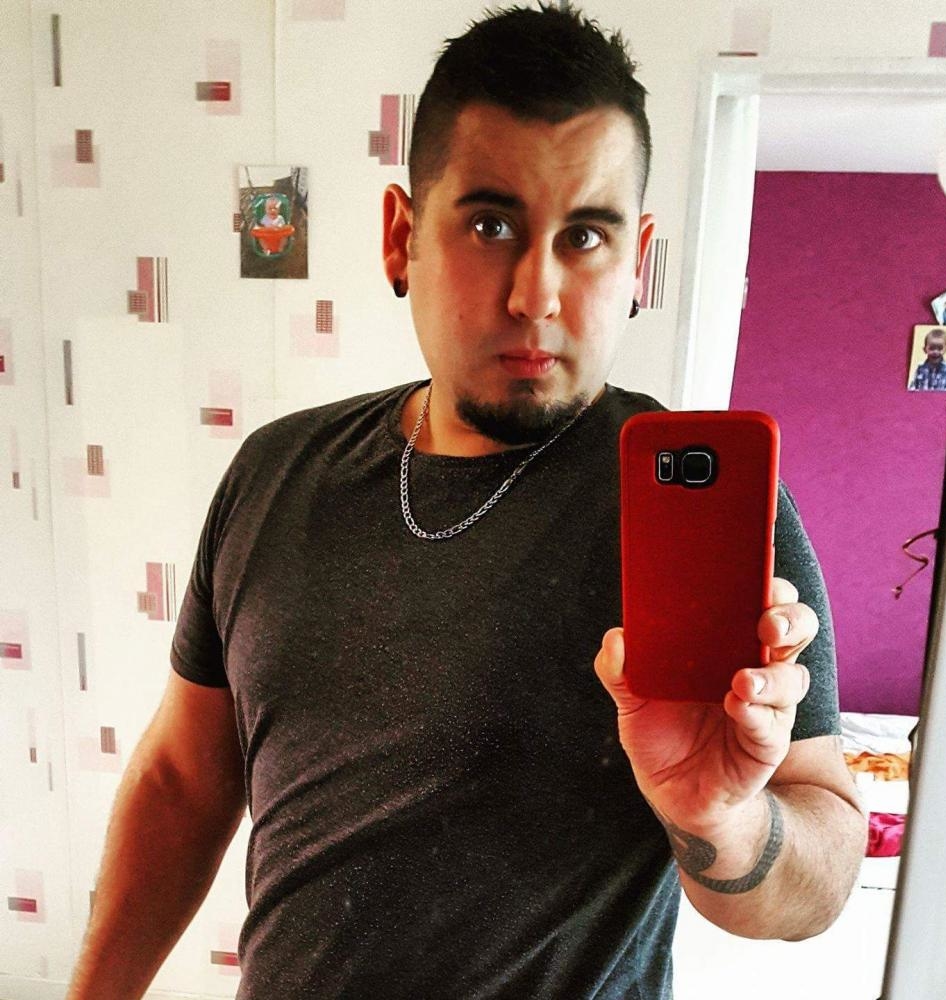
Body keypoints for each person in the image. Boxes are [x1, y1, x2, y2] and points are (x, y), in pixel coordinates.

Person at [67, 6, 866, 998]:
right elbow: (183, 779)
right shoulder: (274, 474)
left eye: (586, 236)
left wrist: (724, 822)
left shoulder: (703, 521)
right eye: (491, 225)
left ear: (637, 260)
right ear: (402, 236)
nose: (536, 294)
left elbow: (824, 870)